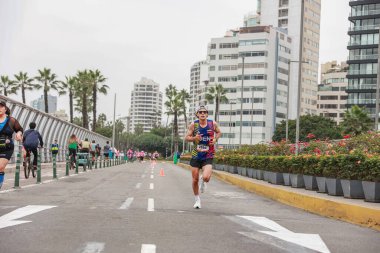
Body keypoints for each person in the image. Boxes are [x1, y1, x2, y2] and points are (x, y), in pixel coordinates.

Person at [185, 105, 221, 209]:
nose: (202, 114)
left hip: (208, 154)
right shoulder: (193, 125)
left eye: (204, 112)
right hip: (196, 155)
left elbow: (219, 132)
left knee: (206, 177)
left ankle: (204, 181)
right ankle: (197, 200)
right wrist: (194, 138)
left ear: (207, 114)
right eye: (200, 112)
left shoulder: (212, 124)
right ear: (197, 114)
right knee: (195, 179)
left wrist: (215, 139)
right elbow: (187, 138)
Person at [0, 101, 23, 189]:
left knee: (1, 167)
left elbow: (19, 129)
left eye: (1, 107)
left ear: (5, 109)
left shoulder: (11, 120)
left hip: (7, 147)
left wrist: (19, 134)